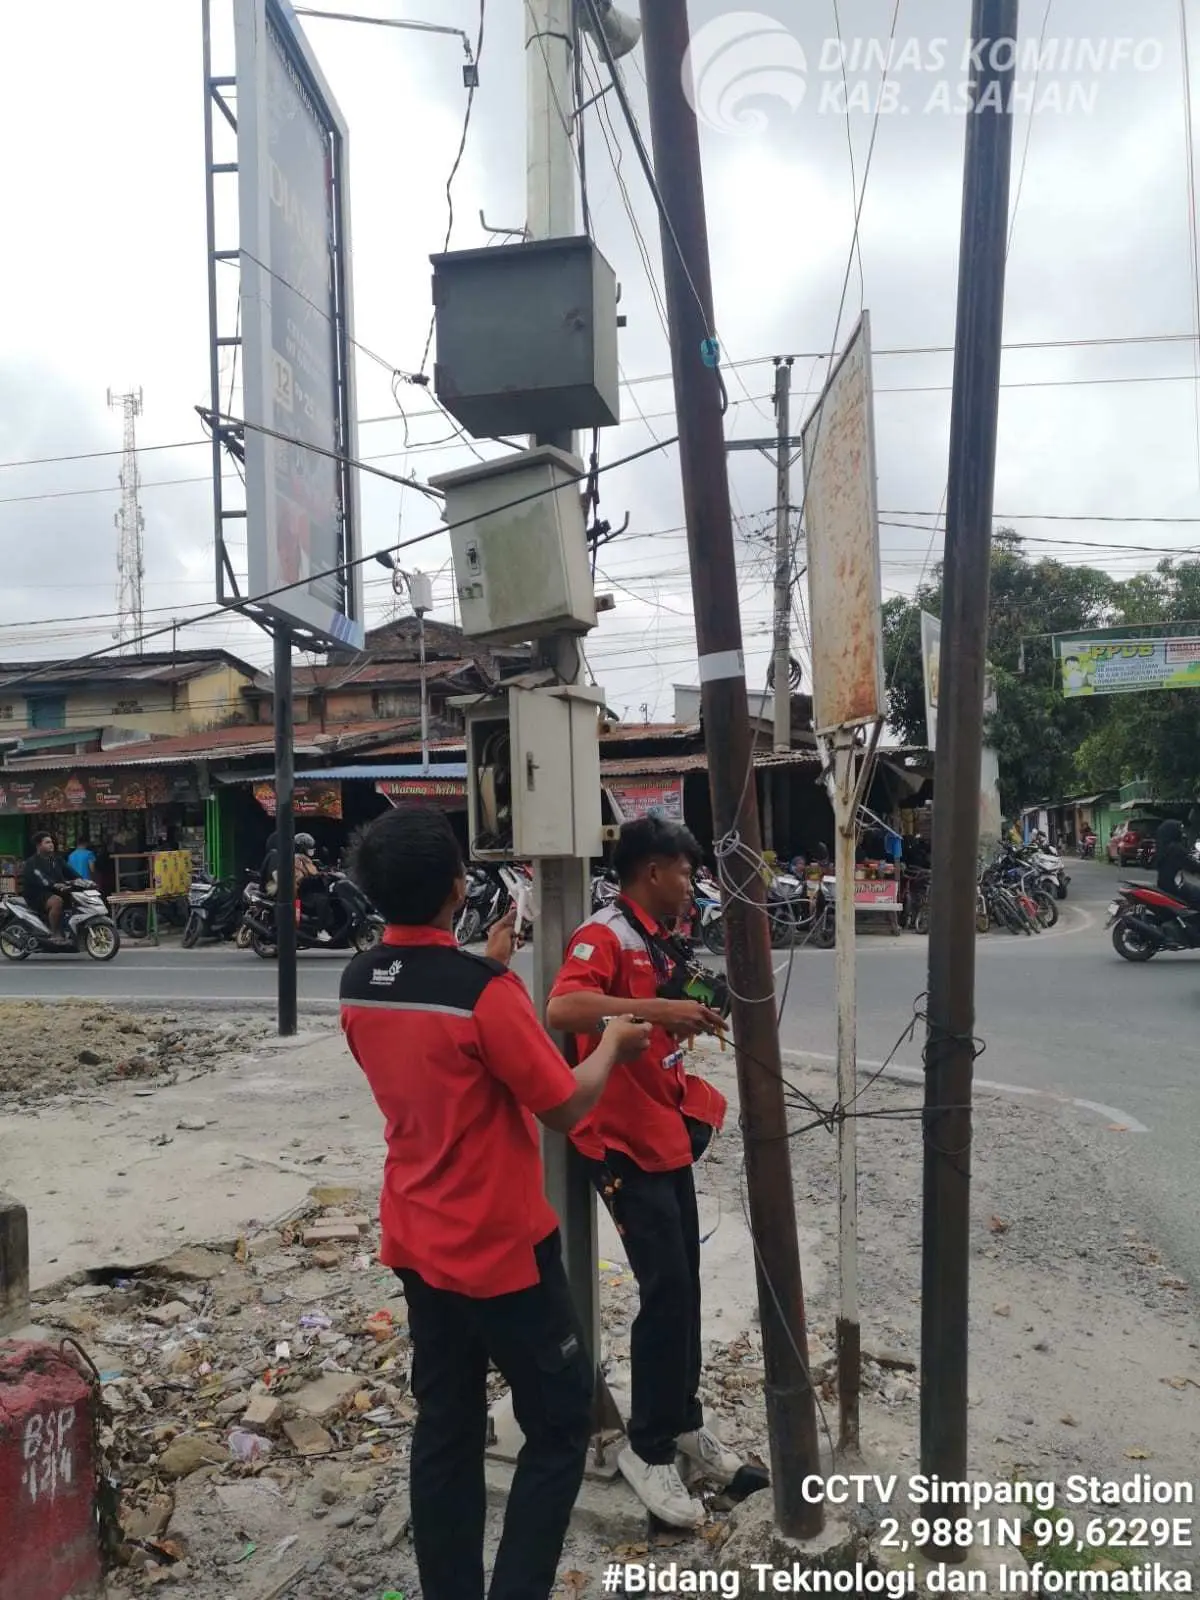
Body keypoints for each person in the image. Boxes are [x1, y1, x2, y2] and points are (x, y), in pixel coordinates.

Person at [340, 806, 650, 1600]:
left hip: (417, 1239)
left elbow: (435, 1022)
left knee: (444, 1427)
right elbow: (563, 1105)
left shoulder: (361, 982)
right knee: (558, 1426)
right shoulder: (486, 994)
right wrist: (613, 1042)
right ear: (455, 886)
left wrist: (482, 964)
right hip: (504, 1252)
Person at [546, 816, 742, 1529]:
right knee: (664, 1290)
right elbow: (564, 1006)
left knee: (684, 1282)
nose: (689, 886)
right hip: (620, 1140)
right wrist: (657, 1008)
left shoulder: (659, 938)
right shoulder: (605, 933)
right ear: (652, 871)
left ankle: (684, 1423)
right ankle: (649, 1448)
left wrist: (689, 1013)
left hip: (663, 1129)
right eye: (683, 873)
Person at [21, 833, 81, 938]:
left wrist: (83, 881)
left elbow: (72, 873)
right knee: (56, 901)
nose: (51, 844)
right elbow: (41, 878)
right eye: (47, 842)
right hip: (36, 895)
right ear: (39, 846)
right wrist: (55, 885)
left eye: (51, 842)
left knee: (77, 899)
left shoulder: (57, 860)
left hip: (54, 891)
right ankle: (55, 933)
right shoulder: (32, 863)